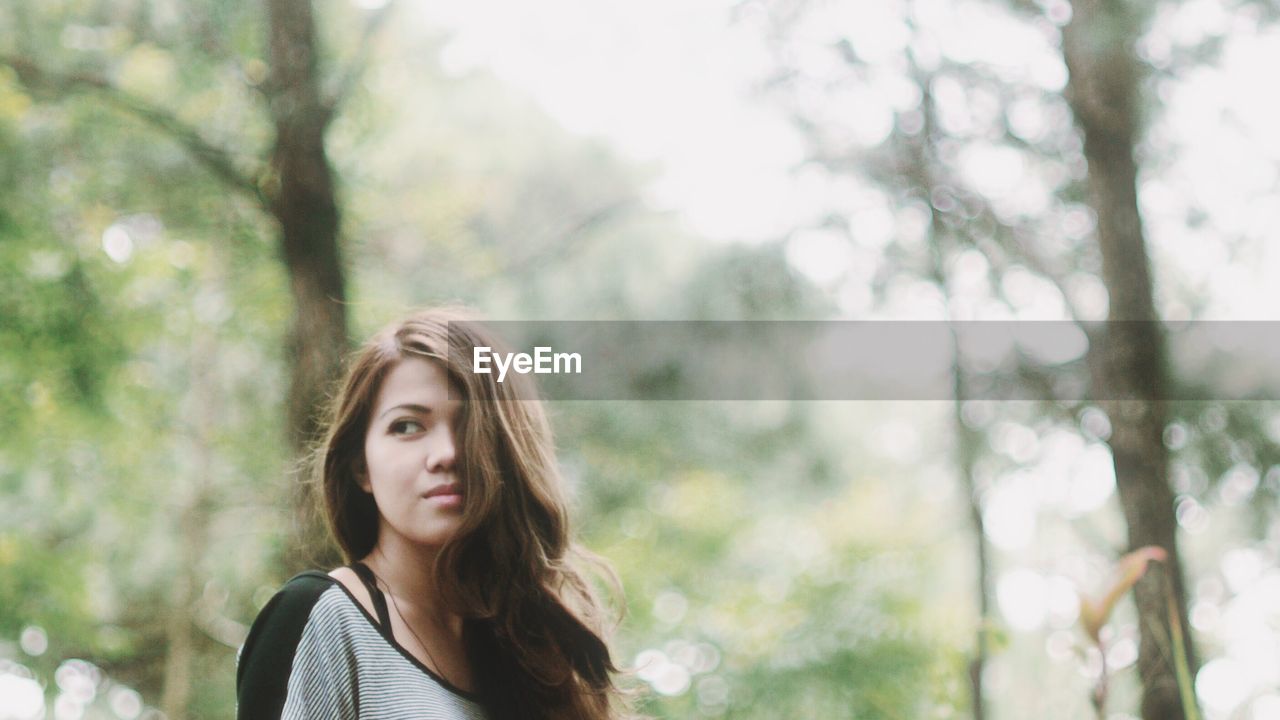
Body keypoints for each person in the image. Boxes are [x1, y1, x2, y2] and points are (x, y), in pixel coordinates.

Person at [236, 308, 632, 719]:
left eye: (469, 426)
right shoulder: (323, 619)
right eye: (407, 426)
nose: (447, 454)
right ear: (361, 467)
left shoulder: (535, 657)